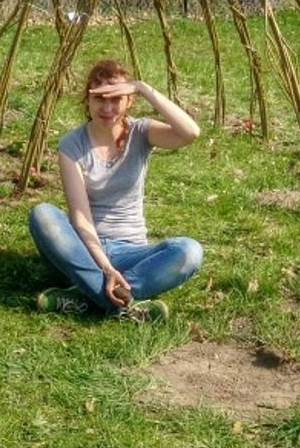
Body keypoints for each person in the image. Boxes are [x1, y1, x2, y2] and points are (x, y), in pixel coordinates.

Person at [29, 59, 203, 323]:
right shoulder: (72, 145)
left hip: (132, 254)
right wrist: (106, 267)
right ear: (87, 101)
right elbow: (80, 217)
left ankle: (88, 296)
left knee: (190, 251)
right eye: (99, 98)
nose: (107, 107)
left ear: (129, 101)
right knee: (42, 214)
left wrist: (142, 87)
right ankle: (125, 304)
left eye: (117, 98)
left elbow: (190, 132)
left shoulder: (141, 132)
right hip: (82, 251)